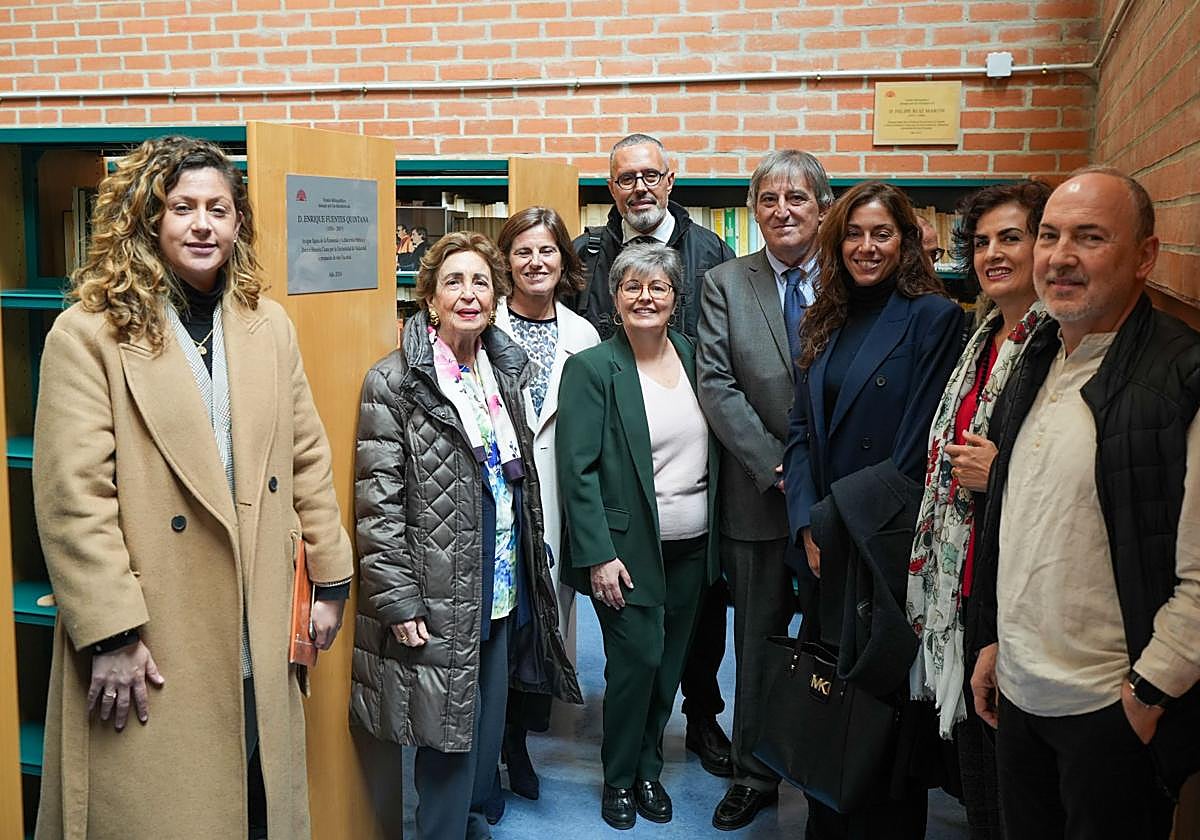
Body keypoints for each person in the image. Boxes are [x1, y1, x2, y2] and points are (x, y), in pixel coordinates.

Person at [31, 135, 353, 840]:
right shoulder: (87, 334)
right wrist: (112, 632)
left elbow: (305, 455)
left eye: (219, 208)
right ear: (148, 218)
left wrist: (330, 578)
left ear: (239, 222)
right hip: (155, 628)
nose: (203, 224)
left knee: (258, 798)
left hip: (259, 615)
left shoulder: (268, 325)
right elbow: (73, 499)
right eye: (182, 207)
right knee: (166, 812)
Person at [967, 168, 1200, 840]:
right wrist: (994, 644)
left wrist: (1148, 695)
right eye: (1050, 235)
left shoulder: (1179, 378)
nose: (1060, 257)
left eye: (1090, 237)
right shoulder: (1037, 356)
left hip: (1111, 714)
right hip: (1018, 697)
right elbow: (1017, 522)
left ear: (1145, 257)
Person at [351, 231, 581, 840]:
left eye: (481, 281)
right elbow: (378, 505)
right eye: (453, 281)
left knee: (485, 719)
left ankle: (474, 822)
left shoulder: (503, 369)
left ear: (497, 295)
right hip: (437, 588)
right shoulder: (394, 383)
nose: (468, 294)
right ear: (429, 296)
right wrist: (397, 599)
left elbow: (518, 477)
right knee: (446, 729)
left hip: (499, 580)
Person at [783, 181, 963, 838]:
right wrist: (806, 522)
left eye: (881, 233)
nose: (866, 246)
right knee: (829, 712)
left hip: (883, 546)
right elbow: (800, 429)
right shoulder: (821, 316)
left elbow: (919, 448)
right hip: (825, 546)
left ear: (906, 241)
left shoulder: (934, 319)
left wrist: (833, 523)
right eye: (854, 233)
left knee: (882, 737)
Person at [573, 131, 735, 778]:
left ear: (671, 181)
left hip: (692, 456)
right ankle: (628, 762)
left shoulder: (711, 253)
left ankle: (700, 719)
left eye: (650, 176)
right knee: (637, 647)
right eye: (624, 179)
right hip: (627, 474)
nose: (639, 187)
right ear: (611, 189)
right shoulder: (589, 256)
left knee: (695, 632)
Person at [905, 180, 1053, 839]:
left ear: (1042, 246)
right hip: (963, 579)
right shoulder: (984, 336)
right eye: (982, 242)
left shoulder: (1052, 344)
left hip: (1017, 586)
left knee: (1015, 775)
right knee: (979, 766)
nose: (993, 254)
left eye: (1011, 238)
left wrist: (1004, 473)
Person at [557, 242, 721, 831]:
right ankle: (619, 776)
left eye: (658, 287)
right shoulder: (594, 368)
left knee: (669, 667)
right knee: (636, 662)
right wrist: (598, 556)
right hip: (626, 552)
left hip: (694, 546)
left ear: (676, 298)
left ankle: (650, 766)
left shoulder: (698, 357)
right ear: (616, 299)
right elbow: (577, 470)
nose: (646, 297)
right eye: (632, 287)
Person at [696, 149, 833, 831]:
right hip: (759, 498)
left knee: (835, 642)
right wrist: (780, 469)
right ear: (755, 210)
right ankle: (754, 773)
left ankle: (827, 768)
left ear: (823, 208)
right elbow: (715, 384)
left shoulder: (852, 275)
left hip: (841, 508)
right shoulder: (725, 281)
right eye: (769, 199)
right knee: (756, 640)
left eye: (797, 198)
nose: (782, 210)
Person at [492, 206, 600, 803]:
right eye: (524, 252)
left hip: (555, 499)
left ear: (565, 260)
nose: (537, 263)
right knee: (503, 620)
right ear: (506, 261)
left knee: (543, 619)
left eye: (548, 251)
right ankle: (499, 742)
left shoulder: (583, 334)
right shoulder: (483, 323)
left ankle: (522, 741)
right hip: (501, 494)